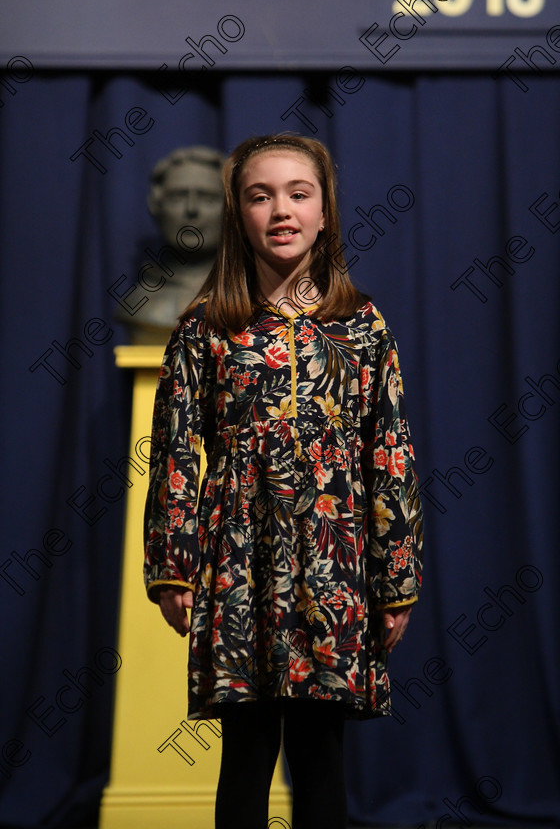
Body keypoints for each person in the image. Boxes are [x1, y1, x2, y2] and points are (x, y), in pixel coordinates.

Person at [143, 133, 424, 829]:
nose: (281, 210)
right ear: (238, 212)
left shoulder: (361, 327)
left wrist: (395, 579)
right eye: (260, 195)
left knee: (321, 753)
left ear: (325, 210)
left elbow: (389, 454)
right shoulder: (207, 329)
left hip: (335, 568)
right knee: (246, 748)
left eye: (299, 194)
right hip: (239, 565)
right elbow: (176, 454)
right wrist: (172, 568)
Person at [123, 146, 225, 344]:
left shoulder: (251, 297)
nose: (192, 209)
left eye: (208, 198)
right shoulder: (139, 301)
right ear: (156, 206)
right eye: (178, 197)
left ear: (231, 210)